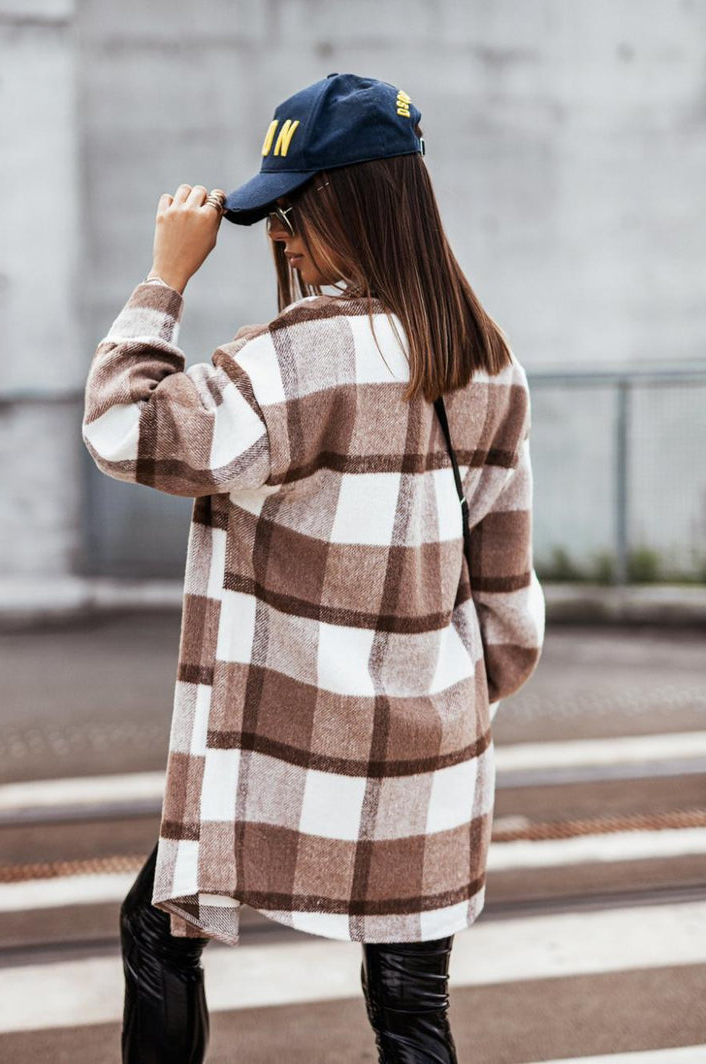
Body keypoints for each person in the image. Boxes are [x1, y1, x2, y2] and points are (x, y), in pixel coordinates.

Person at [83, 73, 545, 1064]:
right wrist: (455, 696)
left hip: (289, 741)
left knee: (158, 928)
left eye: (291, 209)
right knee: (411, 1009)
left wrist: (164, 278)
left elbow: (125, 427)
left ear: (344, 205)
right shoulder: (484, 357)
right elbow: (504, 587)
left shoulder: (294, 358)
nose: (279, 236)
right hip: (433, 736)